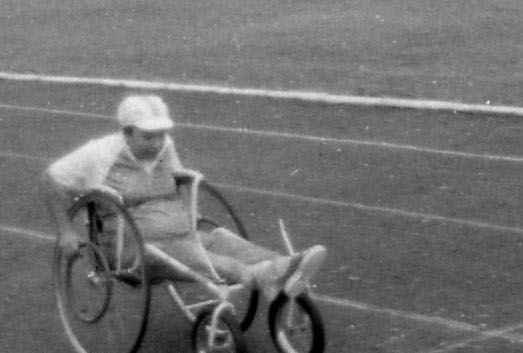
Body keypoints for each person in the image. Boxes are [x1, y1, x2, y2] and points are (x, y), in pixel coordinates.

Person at [43, 94, 326, 299]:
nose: (158, 143)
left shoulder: (165, 147)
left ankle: (286, 266)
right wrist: (66, 232)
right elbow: (50, 180)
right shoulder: (100, 153)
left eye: (162, 135)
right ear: (127, 133)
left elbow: (179, 180)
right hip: (131, 248)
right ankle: (258, 276)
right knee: (186, 252)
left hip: (177, 234)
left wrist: (190, 215)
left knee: (217, 239)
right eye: (148, 137)